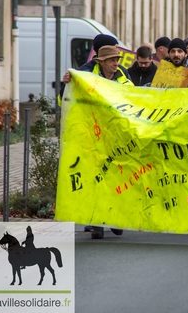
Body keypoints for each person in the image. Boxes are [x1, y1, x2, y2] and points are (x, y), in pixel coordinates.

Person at [62, 45, 132, 239]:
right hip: (91, 137)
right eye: (112, 60)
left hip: (114, 137)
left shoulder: (124, 78)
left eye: (117, 60)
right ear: (101, 62)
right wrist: (65, 84)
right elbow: (66, 99)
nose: (116, 63)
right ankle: (97, 223)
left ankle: (115, 218)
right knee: (95, 179)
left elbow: (134, 102)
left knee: (115, 177)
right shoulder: (84, 76)